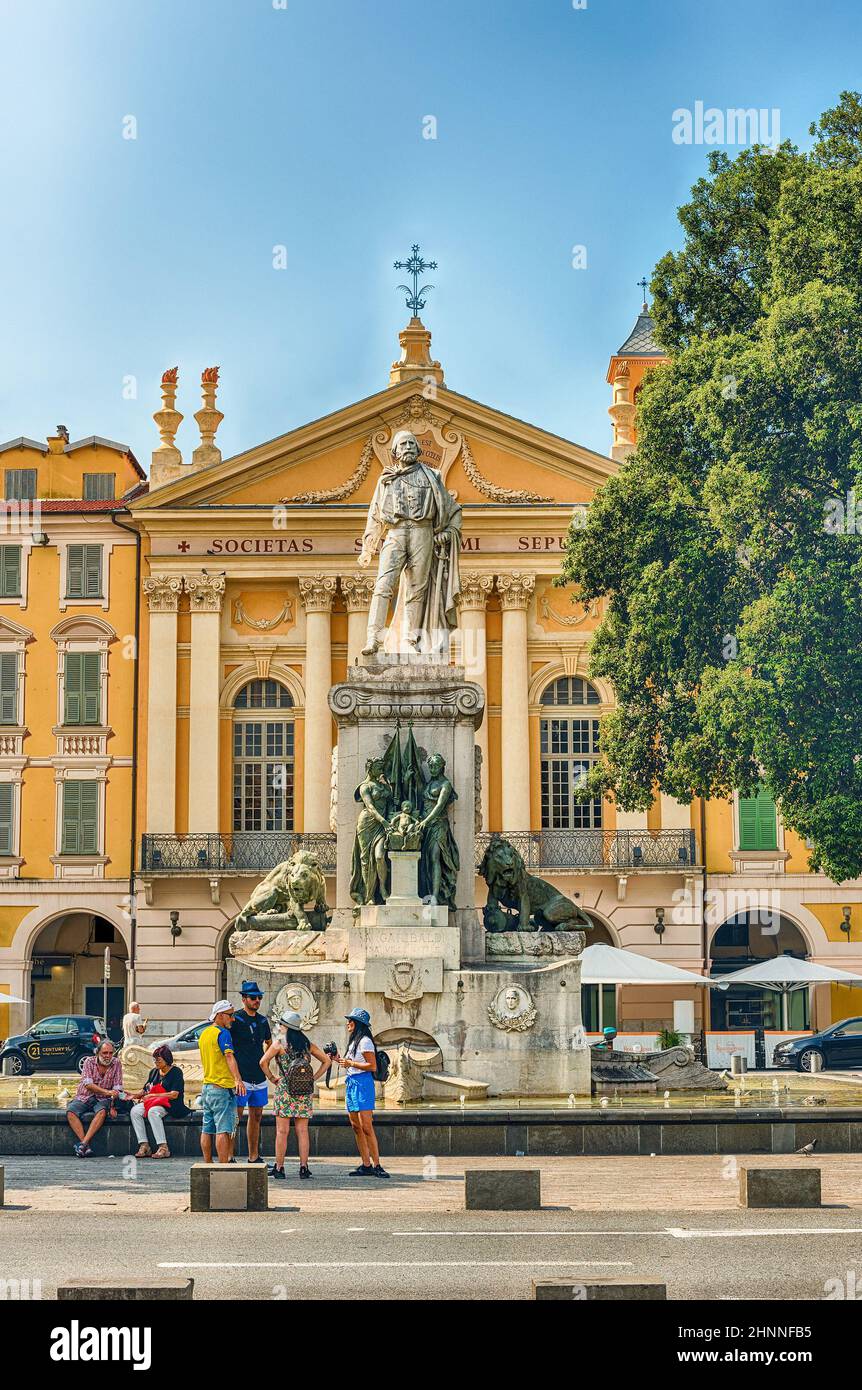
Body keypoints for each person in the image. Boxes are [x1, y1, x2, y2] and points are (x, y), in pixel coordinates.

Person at [259, 1010, 328, 1180]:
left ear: (286, 1026)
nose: (279, 1026)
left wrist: (272, 1078)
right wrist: (313, 1078)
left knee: (282, 1132)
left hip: (285, 1090)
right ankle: (304, 1168)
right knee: (302, 1131)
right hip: (304, 1091)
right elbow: (326, 1061)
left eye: (281, 1024)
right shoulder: (307, 1044)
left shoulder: (279, 1044)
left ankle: (280, 1168)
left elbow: (262, 1062)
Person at [333, 1008, 389, 1178]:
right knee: (356, 1126)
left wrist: (351, 1063)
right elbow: (351, 1062)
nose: (348, 1023)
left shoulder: (365, 1042)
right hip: (352, 1083)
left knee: (366, 1126)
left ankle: (377, 1164)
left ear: (358, 1024)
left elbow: (372, 1066)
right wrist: (337, 1059)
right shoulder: (354, 1042)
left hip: (363, 1084)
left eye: (351, 1020)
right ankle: (366, 1164)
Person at [229, 981, 272, 1164]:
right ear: (244, 999)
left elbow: (270, 1044)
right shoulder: (235, 1019)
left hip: (259, 1076)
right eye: (253, 997)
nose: (257, 1001)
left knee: (256, 1116)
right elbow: (227, 1050)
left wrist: (267, 1064)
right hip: (241, 1077)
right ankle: (229, 1155)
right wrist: (234, 1076)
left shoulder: (263, 1021)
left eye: (259, 997)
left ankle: (253, 1156)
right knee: (235, 1117)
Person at [198, 1000, 246, 1164]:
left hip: (207, 1088)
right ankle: (223, 1167)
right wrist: (238, 1079)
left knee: (206, 1129)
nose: (233, 1019)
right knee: (223, 1130)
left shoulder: (205, 1033)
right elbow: (229, 1056)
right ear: (220, 1015)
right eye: (230, 1015)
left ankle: (207, 1164)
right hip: (222, 1088)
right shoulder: (223, 1033)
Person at [128, 1044, 188, 1158]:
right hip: (154, 1102)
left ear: (167, 1060)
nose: (156, 1062)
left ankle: (163, 1147)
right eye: (154, 1060)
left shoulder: (176, 1072)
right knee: (135, 1111)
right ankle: (144, 1145)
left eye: (158, 1060)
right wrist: (133, 1095)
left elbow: (174, 1095)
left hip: (170, 1105)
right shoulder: (154, 1072)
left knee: (153, 1112)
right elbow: (146, 1089)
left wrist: (153, 1096)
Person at [65, 1039, 122, 1157]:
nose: (108, 1056)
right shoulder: (88, 1062)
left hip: (102, 1100)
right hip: (85, 1095)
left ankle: (83, 1144)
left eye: (111, 1053)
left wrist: (112, 1105)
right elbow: (88, 1085)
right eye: (105, 1053)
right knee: (71, 1112)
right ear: (97, 1053)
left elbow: (117, 1088)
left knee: (102, 1112)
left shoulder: (116, 1063)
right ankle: (86, 1146)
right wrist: (107, 1092)